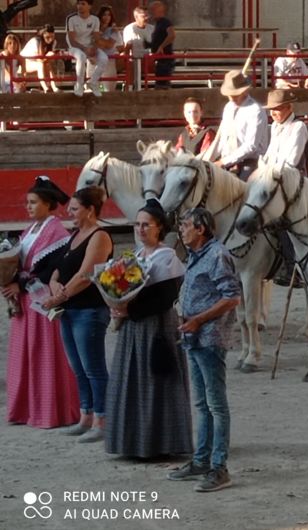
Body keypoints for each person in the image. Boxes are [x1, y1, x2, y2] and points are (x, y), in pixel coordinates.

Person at [105, 199, 192, 459]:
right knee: (132, 381)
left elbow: (166, 299)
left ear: (159, 228)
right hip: (133, 328)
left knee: (156, 382)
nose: (141, 229)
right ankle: (132, 443)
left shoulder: (167, 258)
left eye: (146, 225)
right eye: (137, 224)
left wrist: (129, 310)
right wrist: (117, 305)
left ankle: (159, 444)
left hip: (156, 328)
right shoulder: (134, 255)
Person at [167, 208, 240, 493]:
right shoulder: (198, 255)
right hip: (195, 336)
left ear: (200, 229)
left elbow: (232, 297)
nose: (182, 230)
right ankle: (201, 460)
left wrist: (199, 319)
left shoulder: (217, 255)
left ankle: (219, 466)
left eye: (185, 226)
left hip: (209, 336)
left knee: (216, 405)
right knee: (202, 404)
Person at [4, 176, 79, 429]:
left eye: (33, 202)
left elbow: (52, 270)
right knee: (26, 352)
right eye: (27, 202)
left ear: (48, 204)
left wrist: (21, 285)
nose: (28, 207)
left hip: (41, 298)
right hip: (25, 301)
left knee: (43, 352)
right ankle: (26, 408)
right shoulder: (30, 231)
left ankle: (49, 410)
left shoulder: (56, 231)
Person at [44, 186, 113, 442]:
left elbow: (86, 275)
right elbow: (58, 268)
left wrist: (57, 297)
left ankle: (102, 419)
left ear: (90, 210)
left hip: (89, 309)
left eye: (74, 208)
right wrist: (53, 284)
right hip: (71, 310)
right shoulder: (76, 234)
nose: (70, 212)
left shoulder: (100, 236)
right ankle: (86, 415)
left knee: (93, 367)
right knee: (79, 367)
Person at [262, 89, 308, 287]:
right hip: (274, 180)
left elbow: (291, 162)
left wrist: (270, 171)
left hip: (293, 182)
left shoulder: (299, 127)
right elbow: (269, 154)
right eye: (271, 109)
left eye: (277, 109)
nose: (273, 113)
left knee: (281, 218)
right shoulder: (274, 126)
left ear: (289, 107)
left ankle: (292, 268)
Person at [213, 69, 269, 179]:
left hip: (250, 162)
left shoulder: (256, 110)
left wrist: (223, 161)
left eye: (235, 94)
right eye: (230, 95)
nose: (232, 98)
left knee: (243, 187)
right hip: (227, 160)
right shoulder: (228, 108)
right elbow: (224, 138)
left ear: (245, 91)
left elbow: (251, 146)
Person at [66, 0, 108, 97]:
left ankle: (92, 82)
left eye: (83, 4)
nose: (79, 6)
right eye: (78, 4)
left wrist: (94, 48)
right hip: (74, 47)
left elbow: (96, 38)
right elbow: (72, 40)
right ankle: (79, 84)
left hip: (89, 46)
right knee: (81, 57)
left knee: (104, 58)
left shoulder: (95, 19)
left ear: (89, 6)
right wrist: (85, 49)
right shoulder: (71, 19)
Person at [21, 24, 60, 93]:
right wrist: (48, 56)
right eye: (48, 37)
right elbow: (39, 59)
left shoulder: (54, 42)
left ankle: (54, 87)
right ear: (42, 35)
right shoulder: (35, 41)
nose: (50, 40)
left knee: (48, 65)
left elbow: (46, 60)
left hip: (38, 62)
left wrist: (52, 55)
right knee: (40, 64)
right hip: (24, 63)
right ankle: (45, 87)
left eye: (52, 37)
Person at [122, 6, 153, 90]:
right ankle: (129, 89)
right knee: (131, 65)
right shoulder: (129, 29)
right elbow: (127, 47)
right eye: (144, 16)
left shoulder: (152, 28)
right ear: (136, 17)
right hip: (134, 58)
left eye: (147, 15)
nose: (146, 18)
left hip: (148, 59)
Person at [94, 4, 123, 92]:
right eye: (104, 14)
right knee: (93, 89)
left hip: (108, 61)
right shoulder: (94, 29)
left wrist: (97, 40)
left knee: (108, 89)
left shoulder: (113, 31)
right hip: (94, 61)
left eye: (109, 15)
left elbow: (109, 45)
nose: (106, 17)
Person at [148, 0, 175, 89]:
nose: (151, 13)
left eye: (153, 10)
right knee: (159, 83)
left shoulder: (165, 22)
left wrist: (161, 46)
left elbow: (172, 35)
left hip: (165, 59)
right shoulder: (157, 24)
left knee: (162, 84)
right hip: (159, 59)